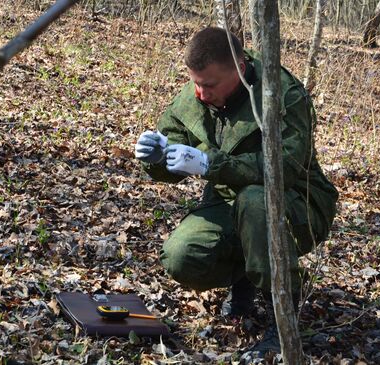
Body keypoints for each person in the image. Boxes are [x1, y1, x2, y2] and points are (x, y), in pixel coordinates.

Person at [134, 27, 338, 357]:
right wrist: (158, 158)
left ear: (240, 69)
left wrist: (210, 164)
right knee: (182, 256)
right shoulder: (196, 94)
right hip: (229, 203)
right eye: (195, 83)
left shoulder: (282, 95)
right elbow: (171, 144)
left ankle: (281, 324)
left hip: (299, 204)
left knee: (255, 202)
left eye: (209, 85)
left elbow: (284, 170)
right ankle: (246, 280)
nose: (200, 93)